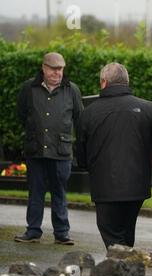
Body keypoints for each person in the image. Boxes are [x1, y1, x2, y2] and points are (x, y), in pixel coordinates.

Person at [76, 63, 152, 249]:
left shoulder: (89, 112)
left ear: (104, 82)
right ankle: (128, 268)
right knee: (126, 234)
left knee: (113, 238)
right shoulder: (146, 107)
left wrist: (89, 165)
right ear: (126, 82)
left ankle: (121, 272)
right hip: (136, 187)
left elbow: (81, 156)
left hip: (105, 188)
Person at [15, 52, 83, 245]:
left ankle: (62, 233)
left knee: (59, 192)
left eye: (60, 69)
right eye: (53, 69)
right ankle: (33, 231)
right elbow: (22, 114)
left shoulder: (72, 90)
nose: (57, 73)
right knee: (35, 191)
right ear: (43, 68)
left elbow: (79, 118)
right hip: (35, 150)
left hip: (61, 152)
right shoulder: (29, 88)